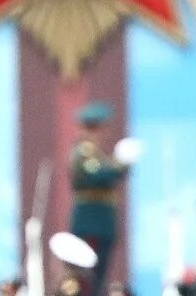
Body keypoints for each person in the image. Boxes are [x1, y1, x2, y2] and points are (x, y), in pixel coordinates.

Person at [72, 101, 132, 293]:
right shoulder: (82, 154)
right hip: (90, 224)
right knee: (86, 277)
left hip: (104, 224)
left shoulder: (100, 156)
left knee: (100, 278)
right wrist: (119, 166)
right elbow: (98, 175)